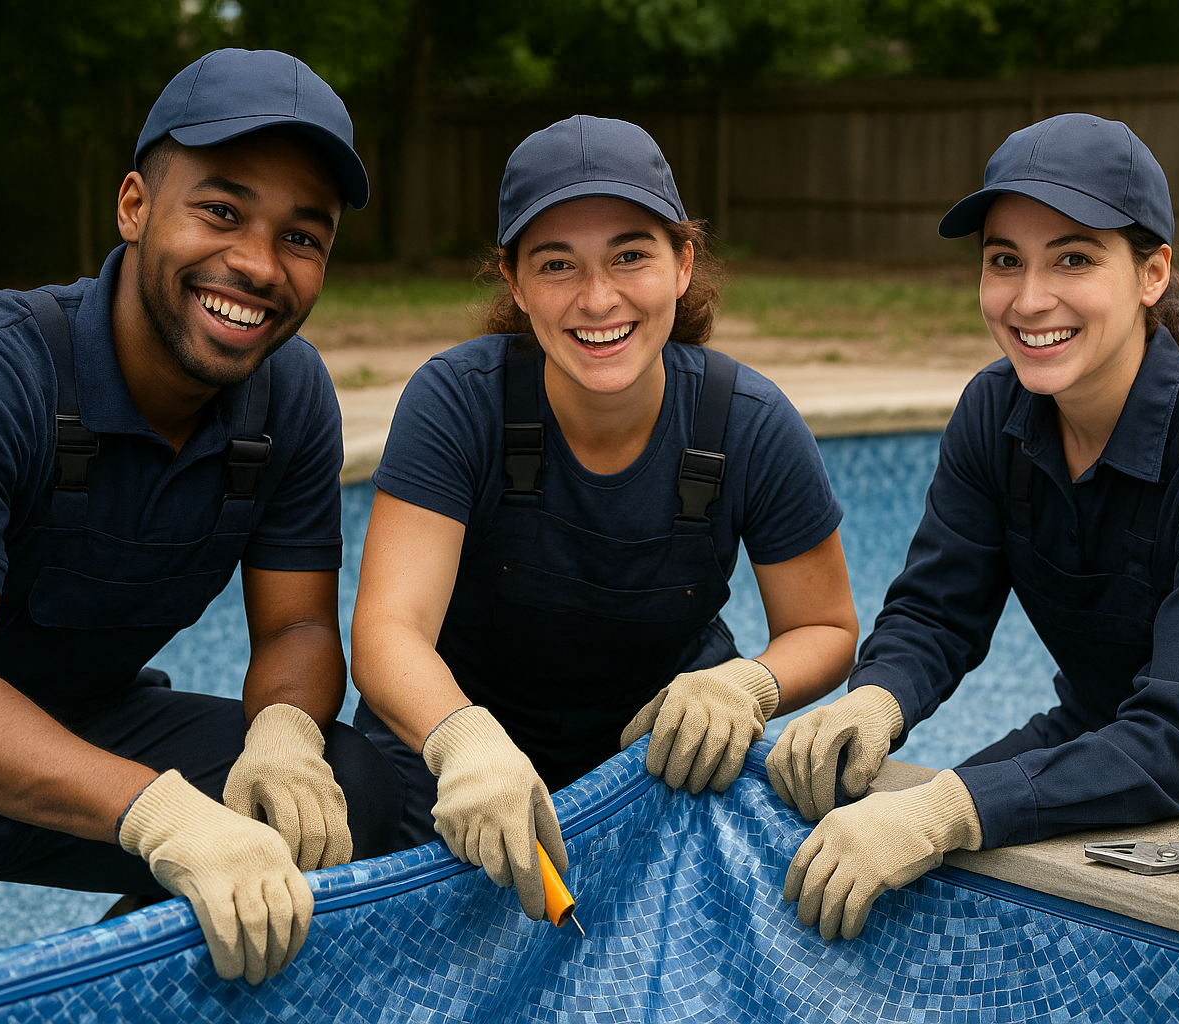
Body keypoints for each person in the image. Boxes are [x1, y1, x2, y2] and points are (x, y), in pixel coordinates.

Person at [0, 49, 406, 987]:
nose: (258, 264)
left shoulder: (290, 398)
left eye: (302, 238)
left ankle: (123, 991)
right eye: (221, 212)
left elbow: (301, 624)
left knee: (350, 791)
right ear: (136, 207)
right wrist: (167, 817)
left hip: (91, 721)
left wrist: (283, 733)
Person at [767, 113, 1179, 942]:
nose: (1030, 299)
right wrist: (879, 699)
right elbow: (937, 611)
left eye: (1074, 258)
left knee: (1024, 905)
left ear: (1151, 272)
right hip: (1107, 735)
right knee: (884, 885)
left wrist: (946, 809)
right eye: (1004, 262)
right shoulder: (996, 408)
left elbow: (1178, 742)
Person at [349, 115, 859, 922]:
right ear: (515, 284)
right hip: (450, 766)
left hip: (655, 768)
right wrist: (463, 743)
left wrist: (746, 685)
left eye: (631, 255)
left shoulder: (748, 422)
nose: (598, 299)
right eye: (558, 265)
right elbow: (386, 633)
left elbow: (826, 627)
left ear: (683, 264)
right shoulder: (456, 402)